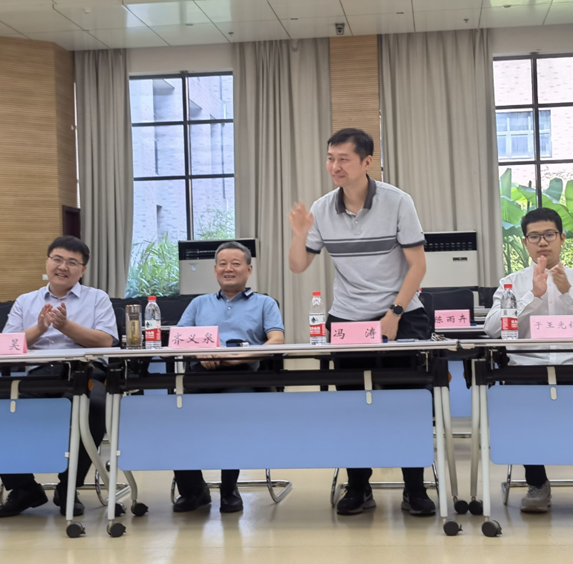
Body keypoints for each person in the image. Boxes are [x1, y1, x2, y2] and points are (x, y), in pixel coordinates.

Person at [288, 128, 435, 517]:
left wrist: (394, 313)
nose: (335, 166)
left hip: (401, 314)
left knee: (405, 404)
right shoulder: (322, 208)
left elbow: (417, 265)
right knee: (352, 406)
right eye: (330, 158)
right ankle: (358, 487)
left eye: (344, 159)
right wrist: (299, 234)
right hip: (348, 317)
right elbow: (298, 265)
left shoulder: (397, 201)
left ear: (367, 162)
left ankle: (415, 489)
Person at [484, 207, 573, 514]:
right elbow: (491, 329)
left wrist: (570, 293)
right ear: (525, 242)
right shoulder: (512, 282)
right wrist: (532, 295)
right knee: (516, 401)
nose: (542, 242)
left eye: (549, 235)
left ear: (562, 238)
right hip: (526, 367)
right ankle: (537, 483)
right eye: (534, 236)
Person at [0, 236, 119, 518]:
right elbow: (6, 345)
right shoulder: (26, 301)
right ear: (47, 262)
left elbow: (105, 341)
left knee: (94, 407)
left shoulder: (97, 298)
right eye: (57, 259)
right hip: (38, 374)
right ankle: (24, 488)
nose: (63, 267)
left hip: (85, 371)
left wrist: (66, 326)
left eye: (72, 262)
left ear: (82, 270)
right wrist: (39, 328)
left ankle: (68, 487)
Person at [172, 241, 285, 514]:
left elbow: (277, 340)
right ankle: (194, 490)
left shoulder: (265, 303)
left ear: (249, 269)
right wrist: (200, 352)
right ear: (215, 270)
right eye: (222, 264)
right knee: (177, 417)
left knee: (232, 414)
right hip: (202, 372)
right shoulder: (199, 303)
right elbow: (179, 339)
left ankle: (229, 488)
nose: (228, 269)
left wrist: (239, 357)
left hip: (243, 373)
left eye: (235, 263)